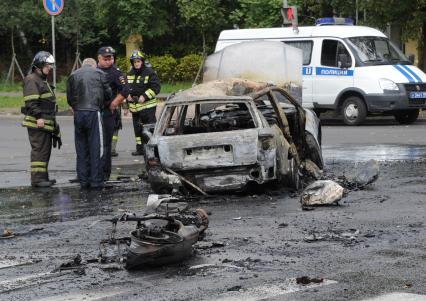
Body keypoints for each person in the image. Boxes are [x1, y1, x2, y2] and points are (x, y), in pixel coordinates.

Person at [67, 58, 112, 189]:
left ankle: (83, 180)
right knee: (96, 147)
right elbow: (108, 94)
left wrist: (75, 106)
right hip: (93, 112)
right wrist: (101, 105)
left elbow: (69, 97)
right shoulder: (100, 74)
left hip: (79, 113)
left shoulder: (73, 75)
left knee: (81, 148)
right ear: (93, 65)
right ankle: (96, 181)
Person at [21, 51, 61, 188]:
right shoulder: (32, 79)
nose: (49, 69)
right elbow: (31, 102)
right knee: (39, 150)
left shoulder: (41, 80)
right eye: (47, 66)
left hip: (46, 123)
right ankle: (37, 180)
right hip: (37, 122)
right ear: (39, 65)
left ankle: (43, 178)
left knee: (45, 151)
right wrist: (38, 117)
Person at [97, 46, 129, 181]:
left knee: (106, 145)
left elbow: (125, 89)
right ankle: (93, 171)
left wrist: (115, 103)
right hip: (94, 112)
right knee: (93, 143)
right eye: (106, 59)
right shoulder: (94, 70)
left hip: (107, 112)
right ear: (98, 58)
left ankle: (104, 174)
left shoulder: (116, 73)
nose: (109, 61)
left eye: (111, 58)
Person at [125, 50, 161, 156]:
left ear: (142, 61)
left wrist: (144, 96)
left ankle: (153, 149)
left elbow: (156, 88)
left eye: (138, 61)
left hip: (147, 107)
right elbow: (126, 88)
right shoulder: (130, 73)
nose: (136, 63)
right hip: (135, 108)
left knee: (149, 128)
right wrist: (127, 97)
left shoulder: (149, 72)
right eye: (134, 62)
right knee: (137, 129)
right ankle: (140, 149)